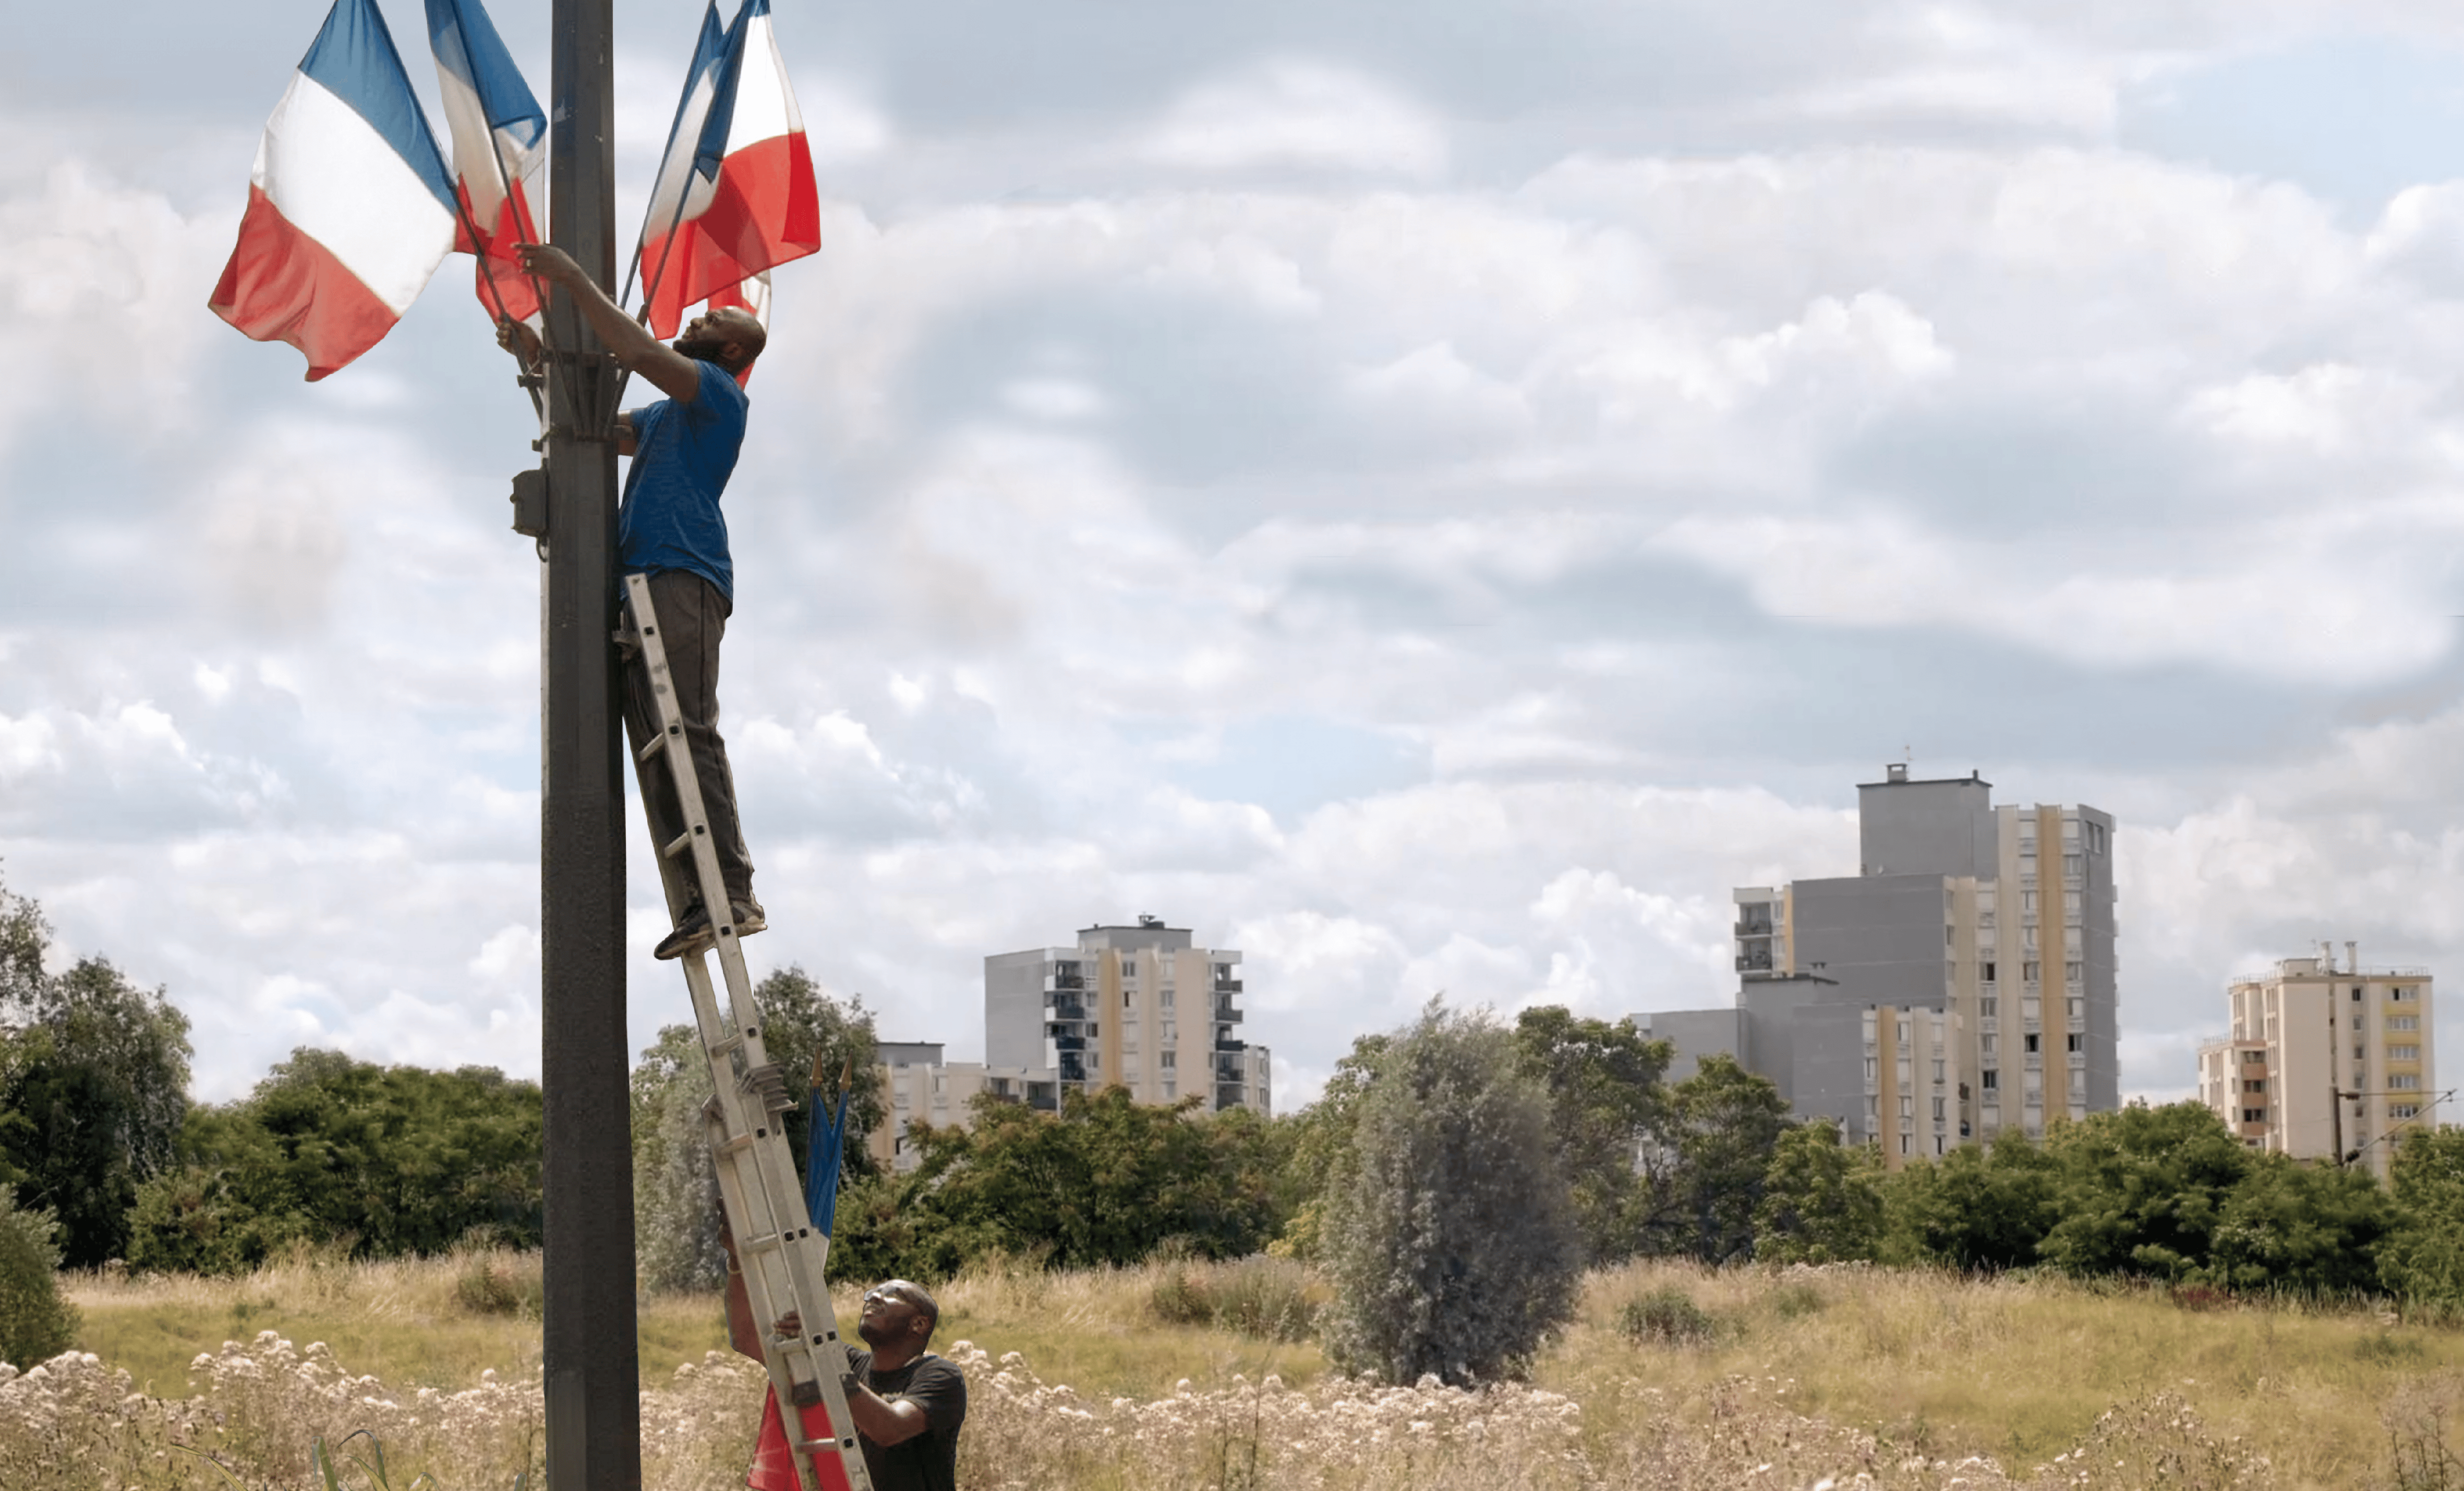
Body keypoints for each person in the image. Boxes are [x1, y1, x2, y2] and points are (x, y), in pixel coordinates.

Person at [501, 245, 765, 959]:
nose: (701, 316)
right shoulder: (662, 419)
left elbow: (639, 350)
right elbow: (590, 421)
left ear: (731, 347)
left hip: (683, 574)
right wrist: (532, 350)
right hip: (641, 587)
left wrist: (574, 279)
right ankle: (698, 901)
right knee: (661, 750)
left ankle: (733, 893)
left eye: (715, 317)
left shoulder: (716, 391)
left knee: (688, 730)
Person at [721, 1226, 968, 1491]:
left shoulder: (941, 1376)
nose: (872, 1296)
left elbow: (890, 1428)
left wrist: (821, 1353)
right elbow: (747, 1337)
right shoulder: (844, 1361)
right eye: (873, 1292)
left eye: (892, 1294)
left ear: (919, 1324)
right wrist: (737, 1262)